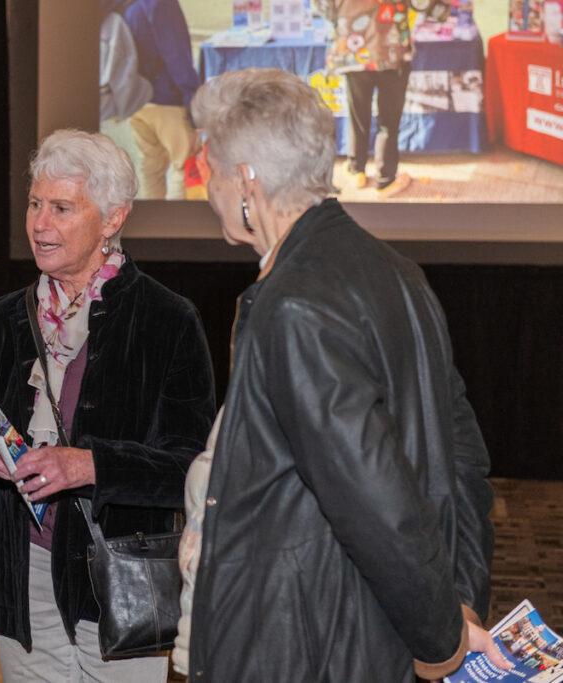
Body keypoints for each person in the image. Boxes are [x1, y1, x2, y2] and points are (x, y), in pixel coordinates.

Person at [180, 68, 508, 681]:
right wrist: (460, 595)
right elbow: (461, 456)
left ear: (246, 178)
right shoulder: (395, 270)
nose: (207, 191)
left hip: (311, 641)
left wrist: (441, 639)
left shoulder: (294, 303)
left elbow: (373, 493)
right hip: (369, 627)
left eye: (210, 172)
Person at [0, 129, 216, 681]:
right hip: (25, 581)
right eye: (36, 205)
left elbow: (195, 469)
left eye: (62, 208)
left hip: (120, 587)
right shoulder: (6, 319)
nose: (40, 224)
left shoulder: (167, 320)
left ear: (113, 219)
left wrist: (88, 465)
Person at [317, 0, 416, 196]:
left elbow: (325, 8)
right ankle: (385, 178)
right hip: (391, 51)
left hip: (355, 52)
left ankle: (357, 169)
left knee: (358, 115)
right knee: (388, 120)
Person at [123, 0, 201, 199]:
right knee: (183, 166)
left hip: (136, 100)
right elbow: (176, 56)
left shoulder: (129, 5)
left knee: (152, 169)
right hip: (167, 100)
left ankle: (153, 226)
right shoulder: (162, 5)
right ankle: (176, 228)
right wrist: (192, 96)